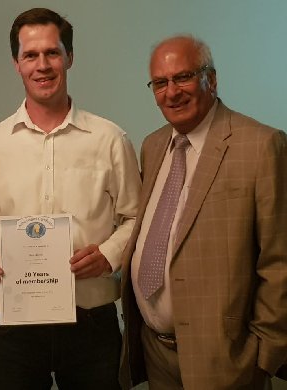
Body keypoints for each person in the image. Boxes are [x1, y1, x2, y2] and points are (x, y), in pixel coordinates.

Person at [0, 8, 141, 390]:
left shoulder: (110, 139)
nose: (42, 65)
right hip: (12, 322)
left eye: (52, 53)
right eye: (31, 55)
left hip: (90, 320)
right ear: (16, 63)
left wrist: (109, 255)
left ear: (70, 57)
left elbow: (136, 218)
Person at [120, 35, 287, 390]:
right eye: (160, 83)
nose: (171, 92)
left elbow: (279, 260)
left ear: (211, 78)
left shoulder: (261, 145)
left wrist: (265, 355)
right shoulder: (152, 145)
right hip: (156, 351)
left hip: (228, 360)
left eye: (183, 77)